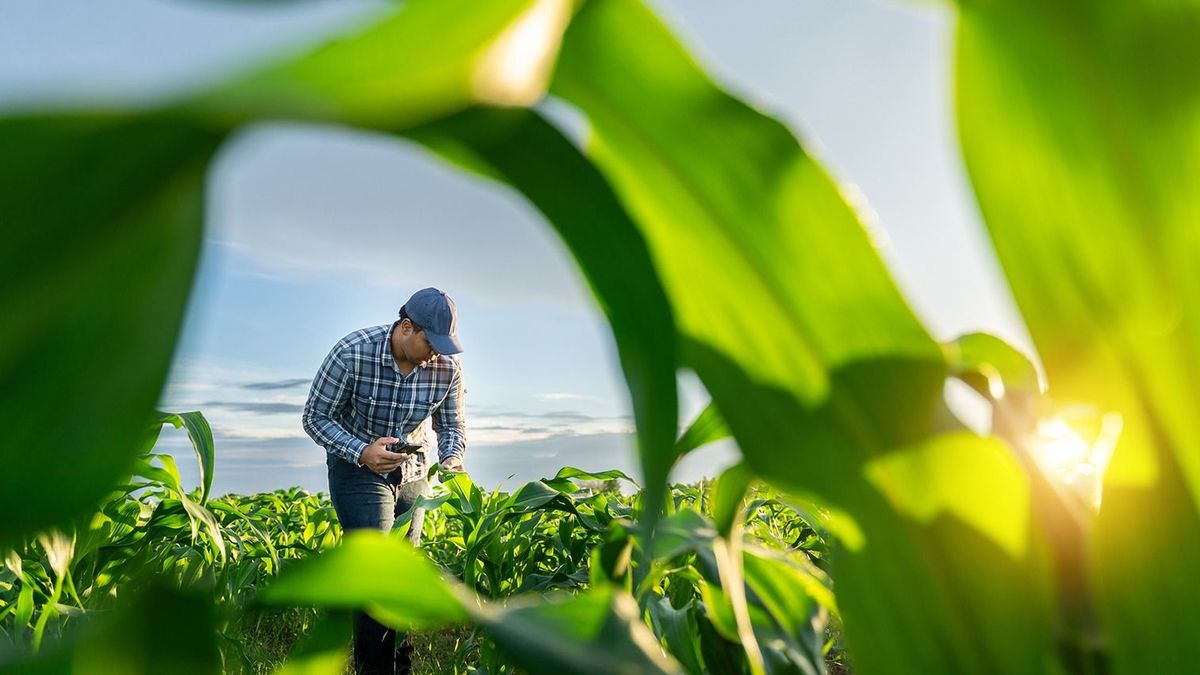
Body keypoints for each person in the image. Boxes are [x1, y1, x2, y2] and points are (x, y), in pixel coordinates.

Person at [301, 287, 466, 675]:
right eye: (432, 342)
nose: (437, 353)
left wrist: (453, 457)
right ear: (407, 327)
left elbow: (452, 426)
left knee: (402, 569)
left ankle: (400, 667)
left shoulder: (447, 369)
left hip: (412, 470)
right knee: (376, 565)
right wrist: (361, 450)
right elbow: (315, 417)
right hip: (356, 466)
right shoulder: (352, 353)